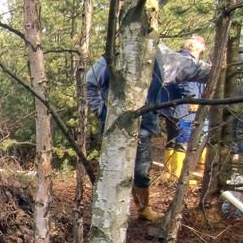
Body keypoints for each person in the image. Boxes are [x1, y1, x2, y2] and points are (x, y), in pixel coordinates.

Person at [86, 41, 210, 220]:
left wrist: (224, 70)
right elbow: (90, 83)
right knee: (112, 169)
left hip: (144, 124)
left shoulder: (162, 56)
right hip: (113, 126)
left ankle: (143, 209)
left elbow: (196, 69)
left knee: (141, 170)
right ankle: (107, 213)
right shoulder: (114, 54)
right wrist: (100, 110)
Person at [161, 35, 210, 179]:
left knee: (172, 138)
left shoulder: (175, 59)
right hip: (184, 108)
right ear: (194, 48)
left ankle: (168, 173)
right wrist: (193, 100)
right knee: (182, 140)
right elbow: (186, 83)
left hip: (170, 107)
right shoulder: (186, 62)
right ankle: (177, 174)